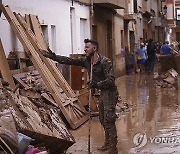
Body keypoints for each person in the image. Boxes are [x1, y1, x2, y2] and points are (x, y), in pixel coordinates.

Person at [41, 39, 119, 153]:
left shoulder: (104, 62)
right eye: (85, 47)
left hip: (110, 92)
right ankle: (107, 143)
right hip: (103, 93)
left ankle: (113, 147)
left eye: (87, 47)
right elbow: (69, 60)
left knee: (109, 119)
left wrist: (97, 84)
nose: (84, 49)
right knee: (102, 119)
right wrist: (53, 56)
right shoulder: (86, 61)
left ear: (94, 49)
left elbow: (111, 80)